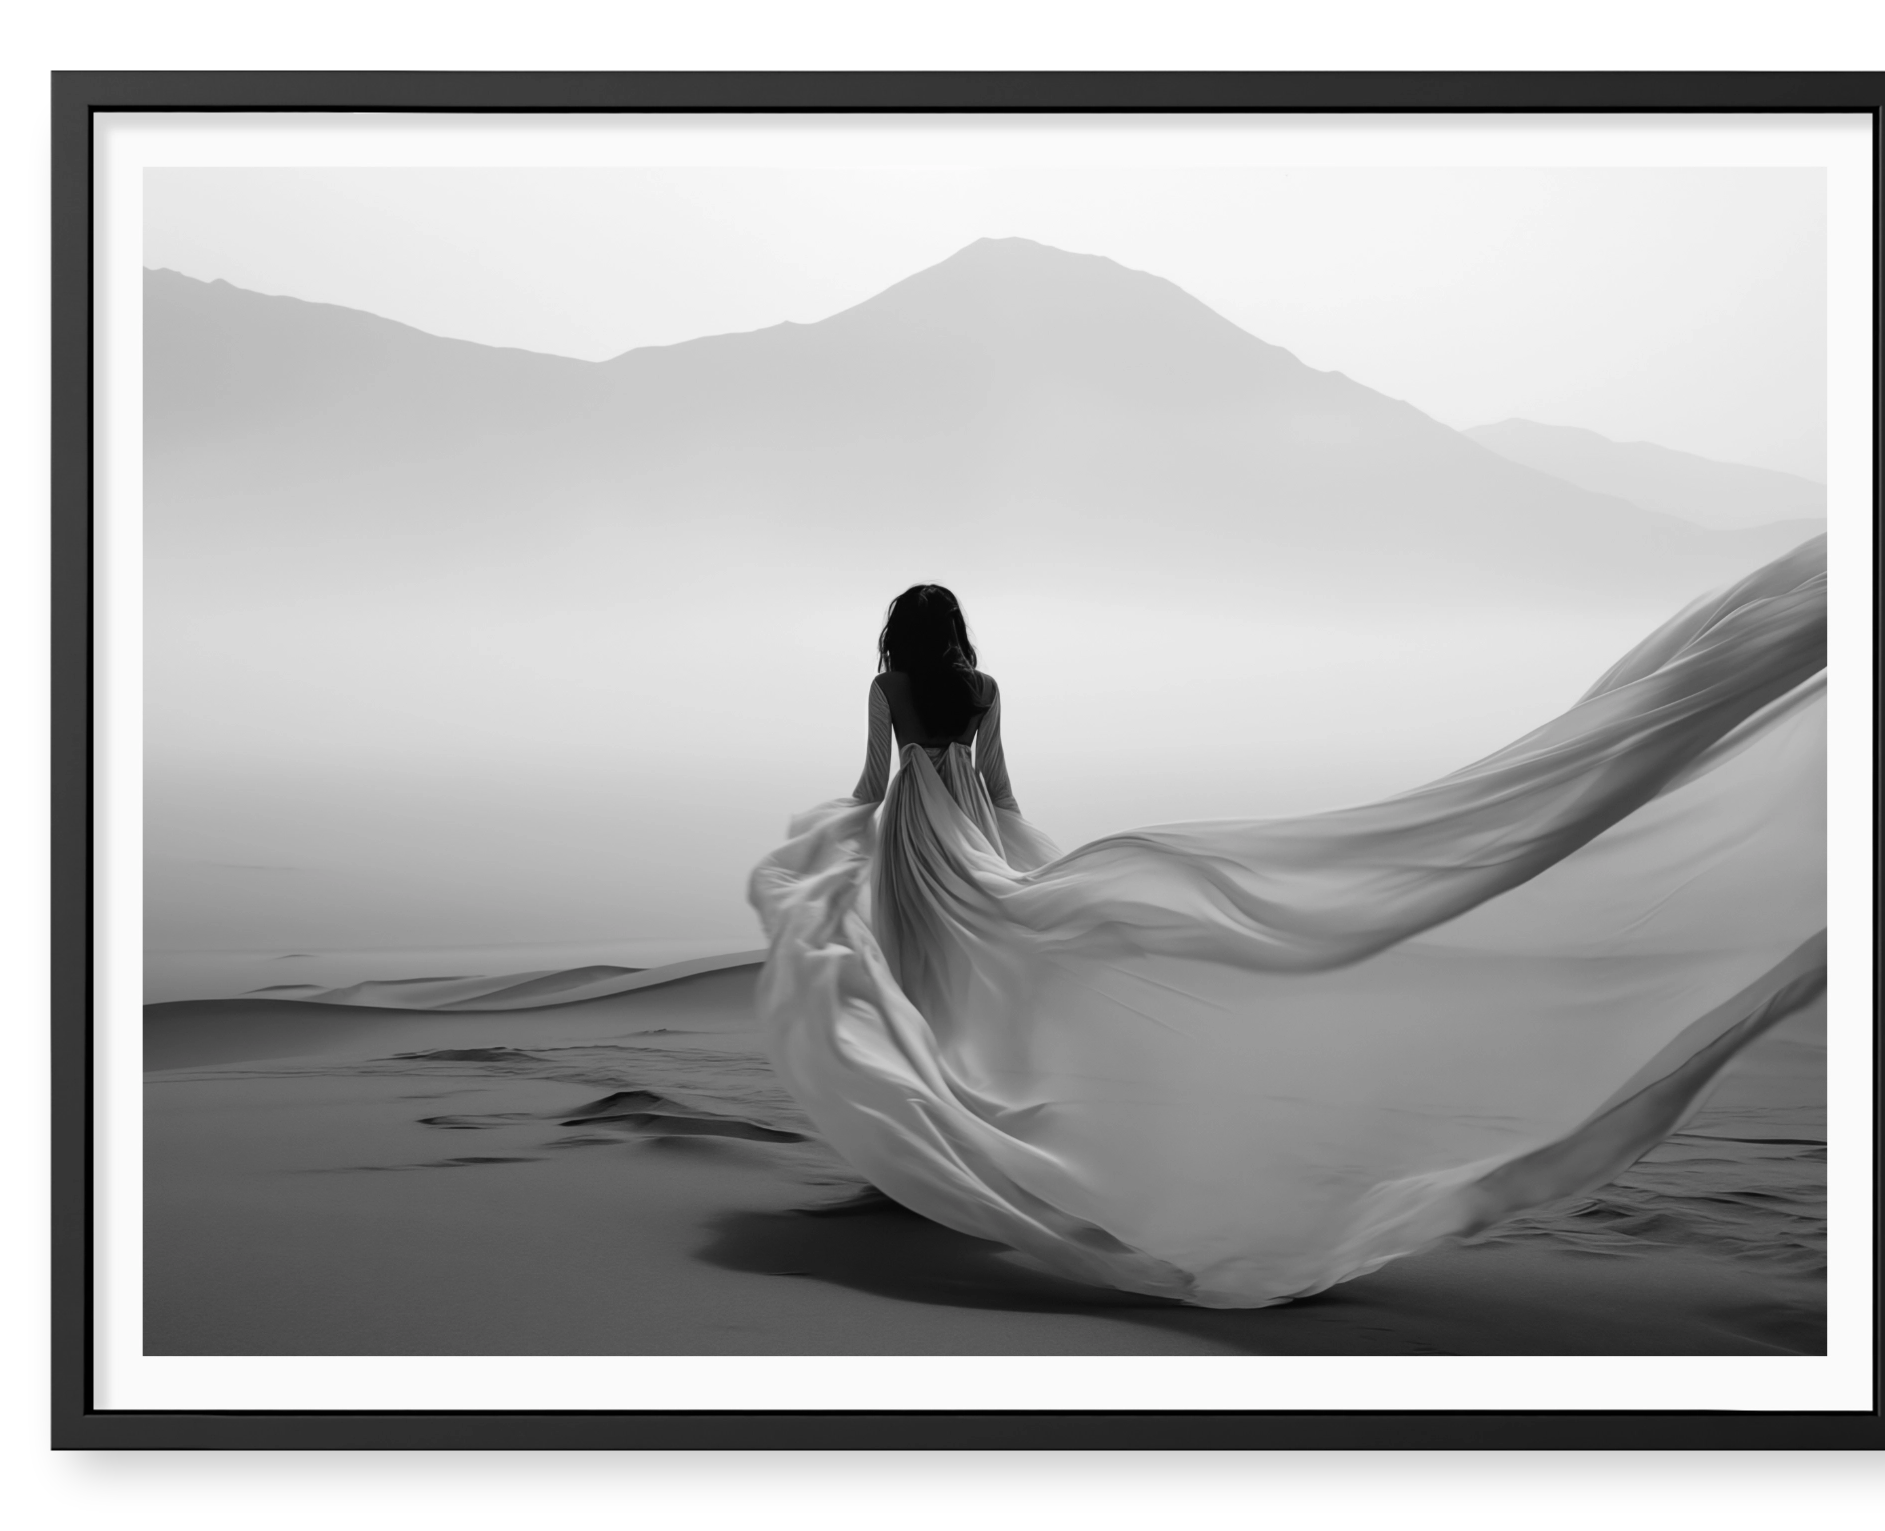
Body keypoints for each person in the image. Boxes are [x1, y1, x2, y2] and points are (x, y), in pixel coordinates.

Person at [748, 552, 1828, 1311]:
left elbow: (870, 785)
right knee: (965, 990)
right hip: (969, 850)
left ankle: (919, 1160)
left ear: (899, 637)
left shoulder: (887, 686)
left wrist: (836, 841)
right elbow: (995, 783)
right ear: (958, 638)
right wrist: (1031, 861)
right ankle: (953, 1146)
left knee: (910, 991)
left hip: (906, 856)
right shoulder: (980, 686)